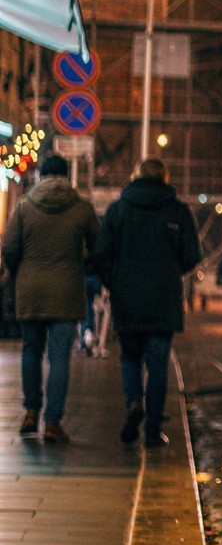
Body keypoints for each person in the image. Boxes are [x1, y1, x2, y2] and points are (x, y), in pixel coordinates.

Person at [94, 157, 201, 447]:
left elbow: (100, 252)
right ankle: (153, 428)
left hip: (126, 297)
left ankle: (133, 402)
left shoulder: (118, 210)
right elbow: (192, 256)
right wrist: (170, 270)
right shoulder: (178, 211)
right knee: (157, 363)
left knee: (129, 356)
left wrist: (113, 281)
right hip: (163, 298)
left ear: (135, 177)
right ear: (165, 180)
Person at [1, 152, 98, 444]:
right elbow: (97, 247)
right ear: (67, 177)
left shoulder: (23, 207)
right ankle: (53, 422)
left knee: (31, 350)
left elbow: (9, 249)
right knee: (59, 358)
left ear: (40, 175)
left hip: (30, 290)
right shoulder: (82, 209)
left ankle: (31, 412)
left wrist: (21, 272)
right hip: (67, 292)